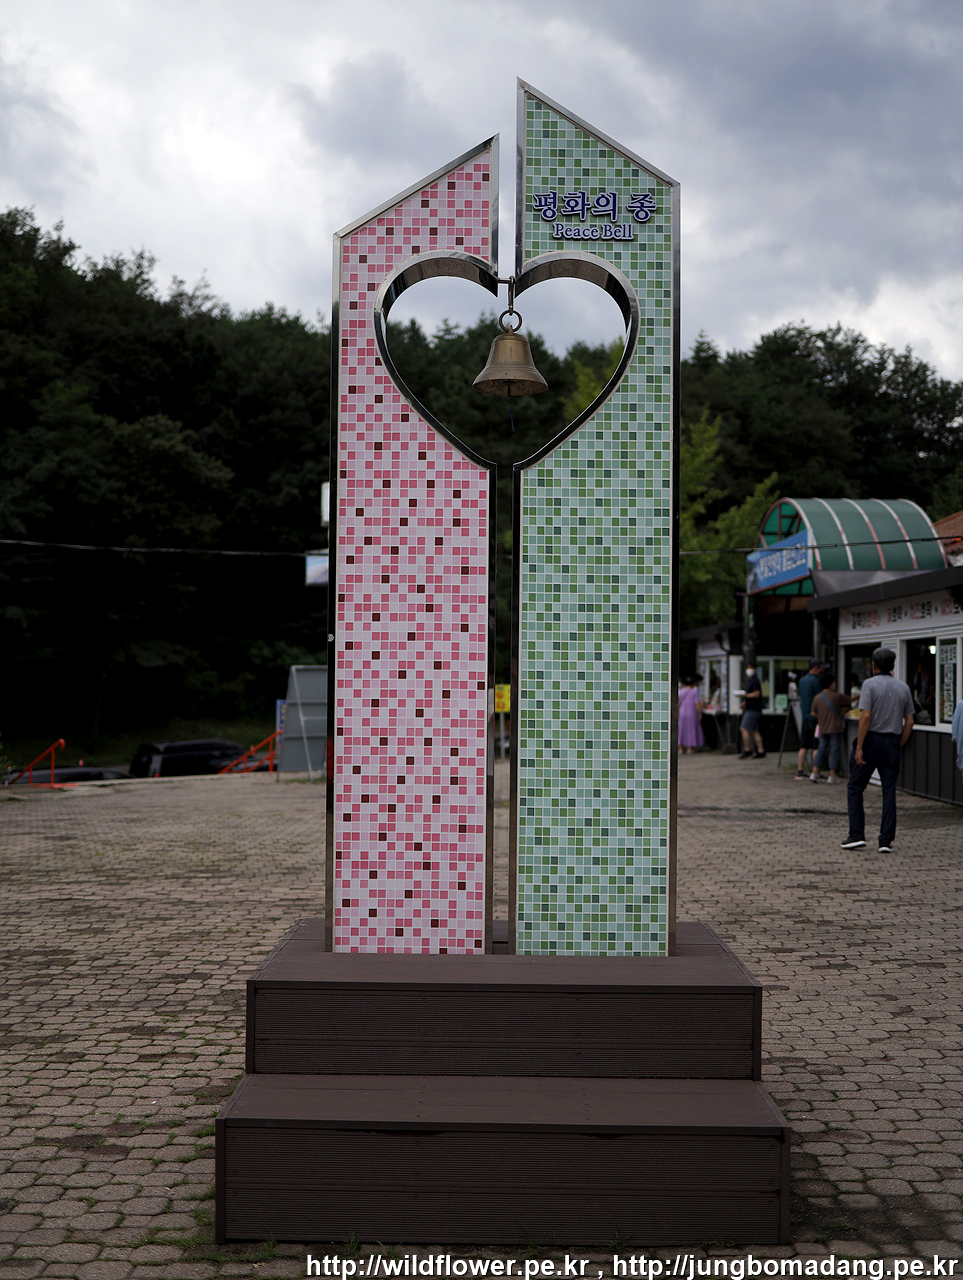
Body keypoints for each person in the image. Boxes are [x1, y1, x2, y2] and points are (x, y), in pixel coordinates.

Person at [841, 647, 914, 853]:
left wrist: (859, 747)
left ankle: (856, 834)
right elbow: (910, 721)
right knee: (889, 790)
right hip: (892, 742)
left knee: (855, 786)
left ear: (873, 665)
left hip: (872, 740)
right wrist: (900, 742)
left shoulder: (869, 685)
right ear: (892, 666)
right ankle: (885, 840)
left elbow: (865, 716)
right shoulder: (903, 688)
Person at [810, 671, 852, 784]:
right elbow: (850, 700)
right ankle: (832, 775)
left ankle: (815, 772)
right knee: (834, 750)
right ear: (831, 683)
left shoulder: (817, 697)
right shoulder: (837, 696)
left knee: (821, 749)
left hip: (822, 727)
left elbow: (813, 713)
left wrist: (822, 716)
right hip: (835, 727)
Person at [796, 658, 826, 780]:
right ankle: (815, 771)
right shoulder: (815, 681)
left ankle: (800, 770)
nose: (822, 671)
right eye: (821, 668)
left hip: (804, 717)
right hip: (814, 717)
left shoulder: (802, 680)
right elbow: (820, 699)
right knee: (816, 746)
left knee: (804, 745)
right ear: (816, 668)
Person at [738, 662, 765, 759]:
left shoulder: (755, 681)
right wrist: (745, 702)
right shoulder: (751, 680)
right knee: (754, 731)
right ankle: (761, 750)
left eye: (750, 668)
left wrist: (745, 695)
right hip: (753, 708)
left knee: (744, 728)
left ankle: (747, 749)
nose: (748, 670)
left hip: (753, 710)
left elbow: (756, 694)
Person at [678, 674, 704, 754]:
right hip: (691, 713)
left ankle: (680, 748)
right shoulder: (694, 692)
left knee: (681, 729)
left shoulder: (681, 691)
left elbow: (678, 703)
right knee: (690, 730)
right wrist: (699, 713)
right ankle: (689, 748)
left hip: (682, 712)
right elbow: (697, 704)